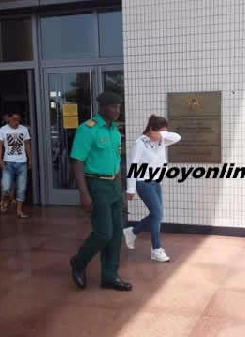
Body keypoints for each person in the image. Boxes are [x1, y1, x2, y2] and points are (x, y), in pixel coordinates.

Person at [68, 91, 132, 292]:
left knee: (115, 235)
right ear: (102, 107)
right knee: (103, 232)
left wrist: (121, 192)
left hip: (113, 185)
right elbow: (77, 160)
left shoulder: (114, 131)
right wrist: (84, 193)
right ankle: (79, 261)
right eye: (113, 107)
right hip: (96, 185)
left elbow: (116, 162)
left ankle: (110, 276)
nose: (117, 111)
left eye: (119, 107)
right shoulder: (88, 129)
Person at [122, 115, 181, 262]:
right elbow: (132, 166)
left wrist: (160, 135)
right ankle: (156, 249)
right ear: (152, 129)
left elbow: (177, 137)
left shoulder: (162, 140)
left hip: (156, 182)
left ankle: (132, 232)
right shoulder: (140, 143)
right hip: (143, 183)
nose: (163, 136)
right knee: (158, 213)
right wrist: (130, 189)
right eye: (161, 131)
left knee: (157, 215)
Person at [0, 111, 32, 218]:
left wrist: (30, 159)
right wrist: (0, 160)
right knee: (6, 186)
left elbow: (27, 144)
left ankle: (19, 211)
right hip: (8, 162)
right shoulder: (3, 130)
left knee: (21, 188)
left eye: (18, 119)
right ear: (9, 119)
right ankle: (5, 200)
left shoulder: (24, 129)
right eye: (14, 119)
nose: (16, 122)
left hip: (22, 162)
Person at [0, 113, 16, 208]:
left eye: (6, 117)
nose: (5, 119)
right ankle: (5, 199)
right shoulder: (3, 129)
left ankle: (10, 199)